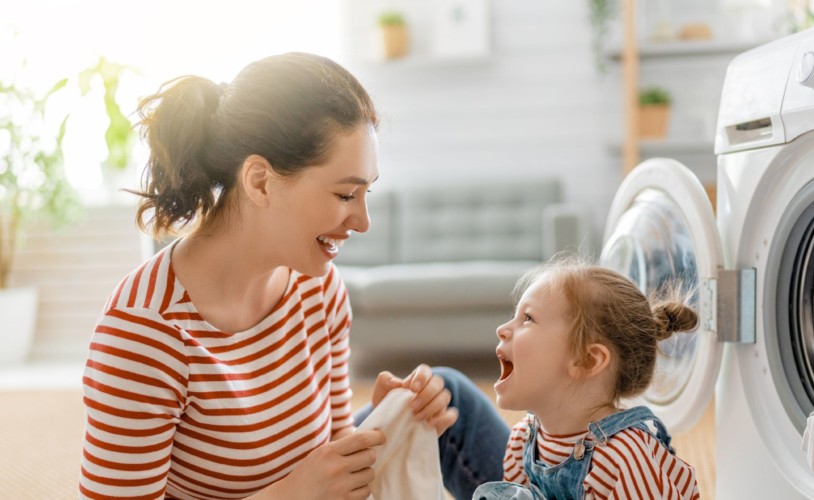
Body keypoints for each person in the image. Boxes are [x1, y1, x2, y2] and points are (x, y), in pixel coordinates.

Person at [79, 52, 509, 500]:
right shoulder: (146, 331)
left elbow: (333, 449)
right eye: (346, 194)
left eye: (366, 192)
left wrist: (387, 423)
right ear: (260, 181)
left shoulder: (317, 286)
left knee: (450, 394)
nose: (363, 222)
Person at [473, 255, 701, 500]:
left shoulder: (623, 457)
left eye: (528, 318)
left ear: (587, 360)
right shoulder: (523, 440)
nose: (502, 329)